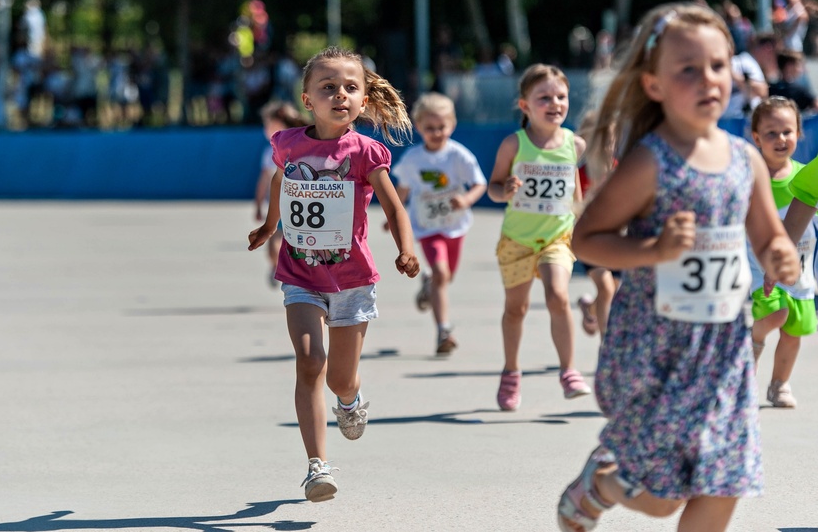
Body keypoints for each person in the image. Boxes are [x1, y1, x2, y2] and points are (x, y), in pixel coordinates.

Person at [557, 3, 800, 532]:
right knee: (663, 498)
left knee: (723, 483)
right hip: (658, 350)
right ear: (654, 84)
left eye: (717, 65)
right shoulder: (651, 160)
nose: (707, 79)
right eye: (687, 69)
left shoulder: (745, 158)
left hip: (725, 351)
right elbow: (587, 240)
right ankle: (600, 483)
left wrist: (779, 253)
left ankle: (615, 480)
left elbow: (767, 234)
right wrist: (653, 251)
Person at [247, 46, 420, 503]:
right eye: (328, 88)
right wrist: (271, 225)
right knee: (310, 363)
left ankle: (350, 401)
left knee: (340, 378)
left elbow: (394, 205)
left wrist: (406, 250)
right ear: (308, 99)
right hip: (300, 275)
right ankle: (317, 466)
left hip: (352, 281)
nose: (340, 95)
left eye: (350, 88)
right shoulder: (287, 143)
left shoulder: (366, 152)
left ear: (364, 101)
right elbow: (282, 181)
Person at [487, 63, 591, 410]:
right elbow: (494, 187)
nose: (555, 103)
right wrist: (506, 190)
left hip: (556, 238)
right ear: (525, 106)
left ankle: (569, 371)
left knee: (558, 296)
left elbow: (574, 191)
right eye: (544, 97)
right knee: (515, 309)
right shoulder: (512, 144)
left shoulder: (574, 144)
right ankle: (511, 372)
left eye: (561, 96)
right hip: (517, 239)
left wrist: (583, 221)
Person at [390, 92, 486, 355]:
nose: (436, 133)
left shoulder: (458, 156)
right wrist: (393, 217)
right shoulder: (413, 159)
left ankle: (429, 285)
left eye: (441, 127)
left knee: (446, 277)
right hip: (427, 226)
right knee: (443, 274)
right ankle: (444, 331)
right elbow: (403, 190)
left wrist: (466, 199)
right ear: (418, 127)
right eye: (429, 128)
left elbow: (480, 183)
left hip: (455, 225)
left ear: (452, 125)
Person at [747, 96, 816, 409]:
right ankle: (754, 340)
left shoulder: (805, 173)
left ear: (799, 133)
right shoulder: (751, 177)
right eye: (771, 133)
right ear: (756, 138)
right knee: (777, 314)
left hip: (800, 270)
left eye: (787, 131)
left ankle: (779, 384)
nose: (781, 139)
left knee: (793, 332)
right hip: (761, 270)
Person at [254, 101, 310, 288]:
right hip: (279, 206)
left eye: (269, 124)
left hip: (302, 207)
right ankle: (277, 266)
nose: (266, 129)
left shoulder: (301, 145)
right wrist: (259, 205)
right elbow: (264, 180)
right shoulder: (269, 151)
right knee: (272, 247)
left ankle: (300, 276)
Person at [574, 109, 619, 339]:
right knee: (606, 288)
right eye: (599, 141)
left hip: (618, 240)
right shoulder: (578, 175)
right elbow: (571, 209)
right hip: (590, 240)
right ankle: (608, 348)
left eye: (610, 140)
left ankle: (589, 308)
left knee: (613, 291)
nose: (605, 147)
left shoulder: (623, 171)